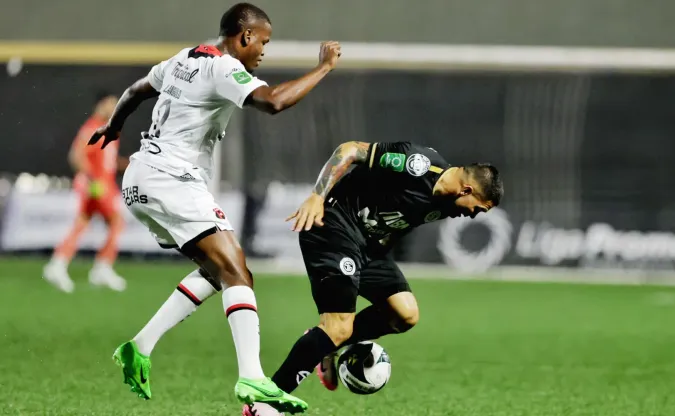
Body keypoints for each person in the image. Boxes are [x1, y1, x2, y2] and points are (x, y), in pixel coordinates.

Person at [87, 3, 341, 413]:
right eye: (263, 41)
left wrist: (114, 127)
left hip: (140, 177)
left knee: (216, 269)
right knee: (238, 270)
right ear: (244, 36)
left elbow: (136, 90)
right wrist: (324, 68)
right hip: (171, 178)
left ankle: (141, 346)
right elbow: (273, 102)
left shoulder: (185, 57)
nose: (263, 51)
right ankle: (252, 377)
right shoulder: (223, 67)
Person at [244, 141, 503, 416]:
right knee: (338, 326)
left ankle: (323, 342)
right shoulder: (416, 164)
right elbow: (350, 150)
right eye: (478, 208)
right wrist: (317, 196)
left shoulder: (445, 204)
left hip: (368, 248)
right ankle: (264, 402)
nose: (473, 215)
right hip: (333, 226)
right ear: (467, 190)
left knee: (404, 314)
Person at [42, 92, 129, 293]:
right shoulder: (92, 128)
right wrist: (92, 181)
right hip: (97, 186)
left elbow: (107, 160)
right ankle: (102, 268)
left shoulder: (110, 130)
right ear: (100, 104)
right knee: (117, 222)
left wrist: (127, 164)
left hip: (103, 184)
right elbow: (76, 156)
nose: (114, 107)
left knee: (83, 223)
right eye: (111, 103)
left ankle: (58, 263)